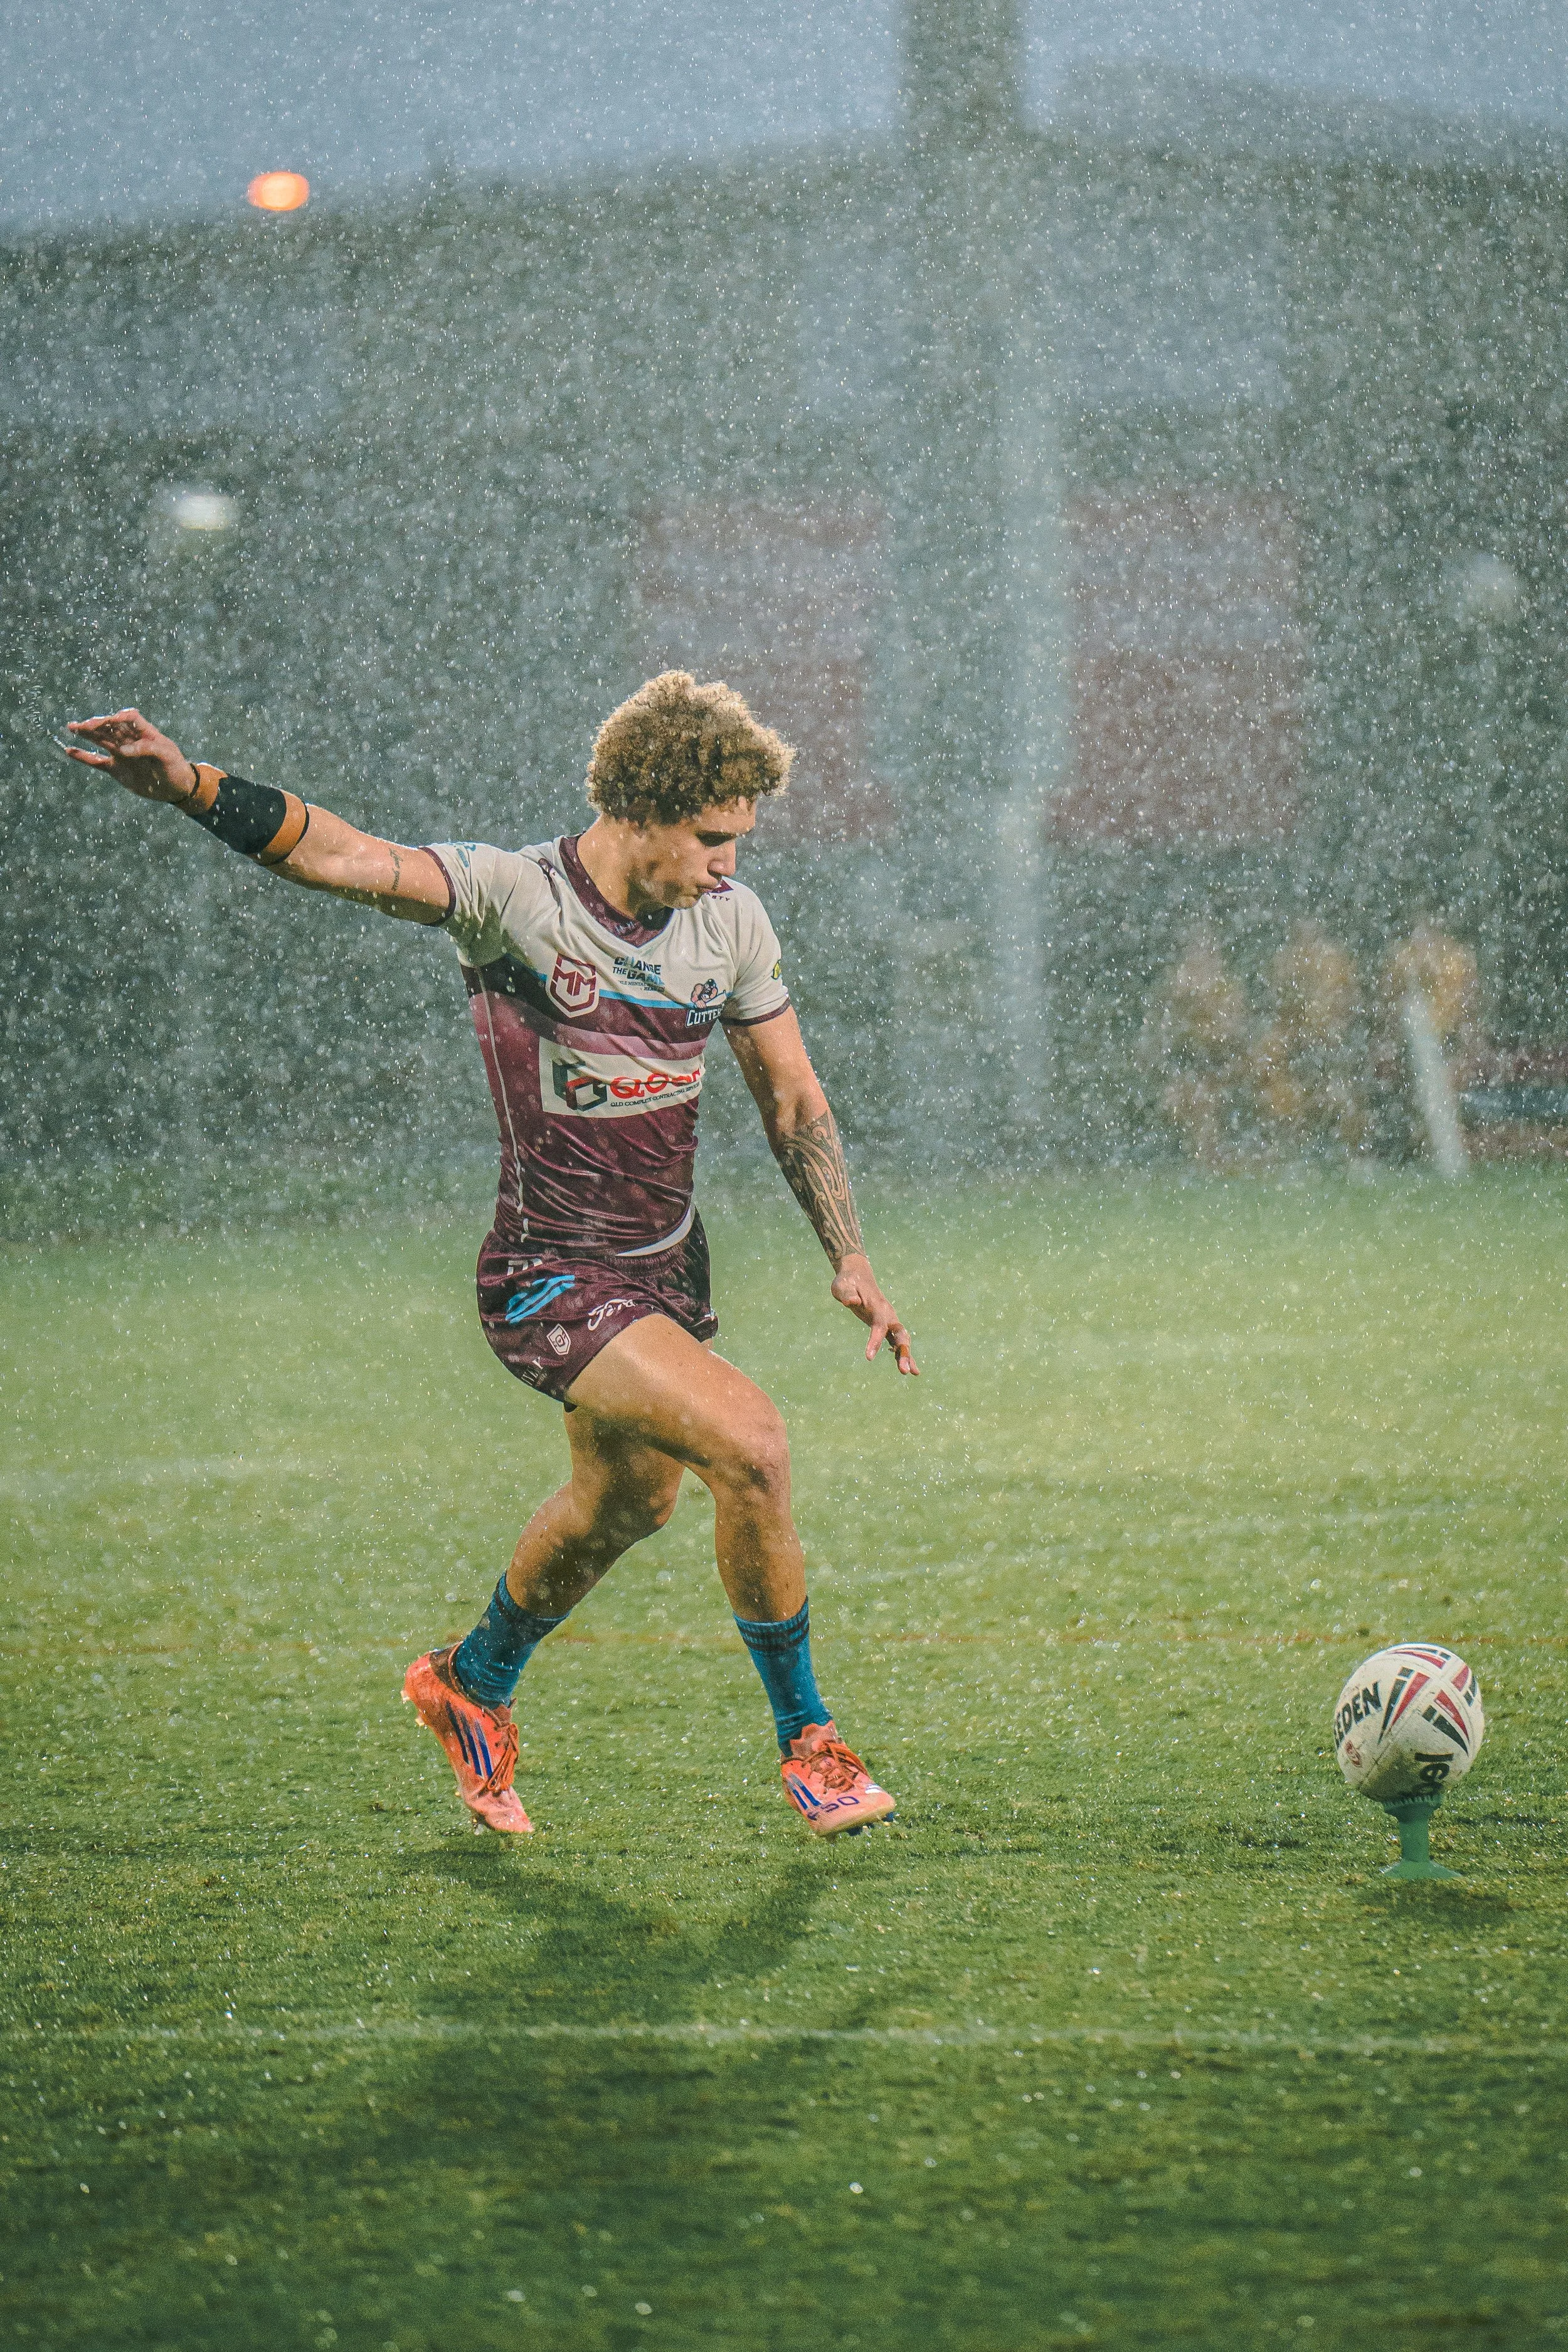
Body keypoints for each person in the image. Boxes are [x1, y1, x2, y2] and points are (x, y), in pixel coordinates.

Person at [63, 672, 918, 1840]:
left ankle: (471, 1681)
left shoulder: (734, 924)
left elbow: (793, 1098)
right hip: (552, 1273)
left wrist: (849, 1253)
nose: (730, 863)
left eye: (740, 842)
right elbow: (349, 856)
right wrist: (191, 787)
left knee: (626, 1503)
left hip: (666, 1267)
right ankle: (810, 1745)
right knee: (754, 1449)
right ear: (641, 812)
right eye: (712, 838)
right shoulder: (516, 896)